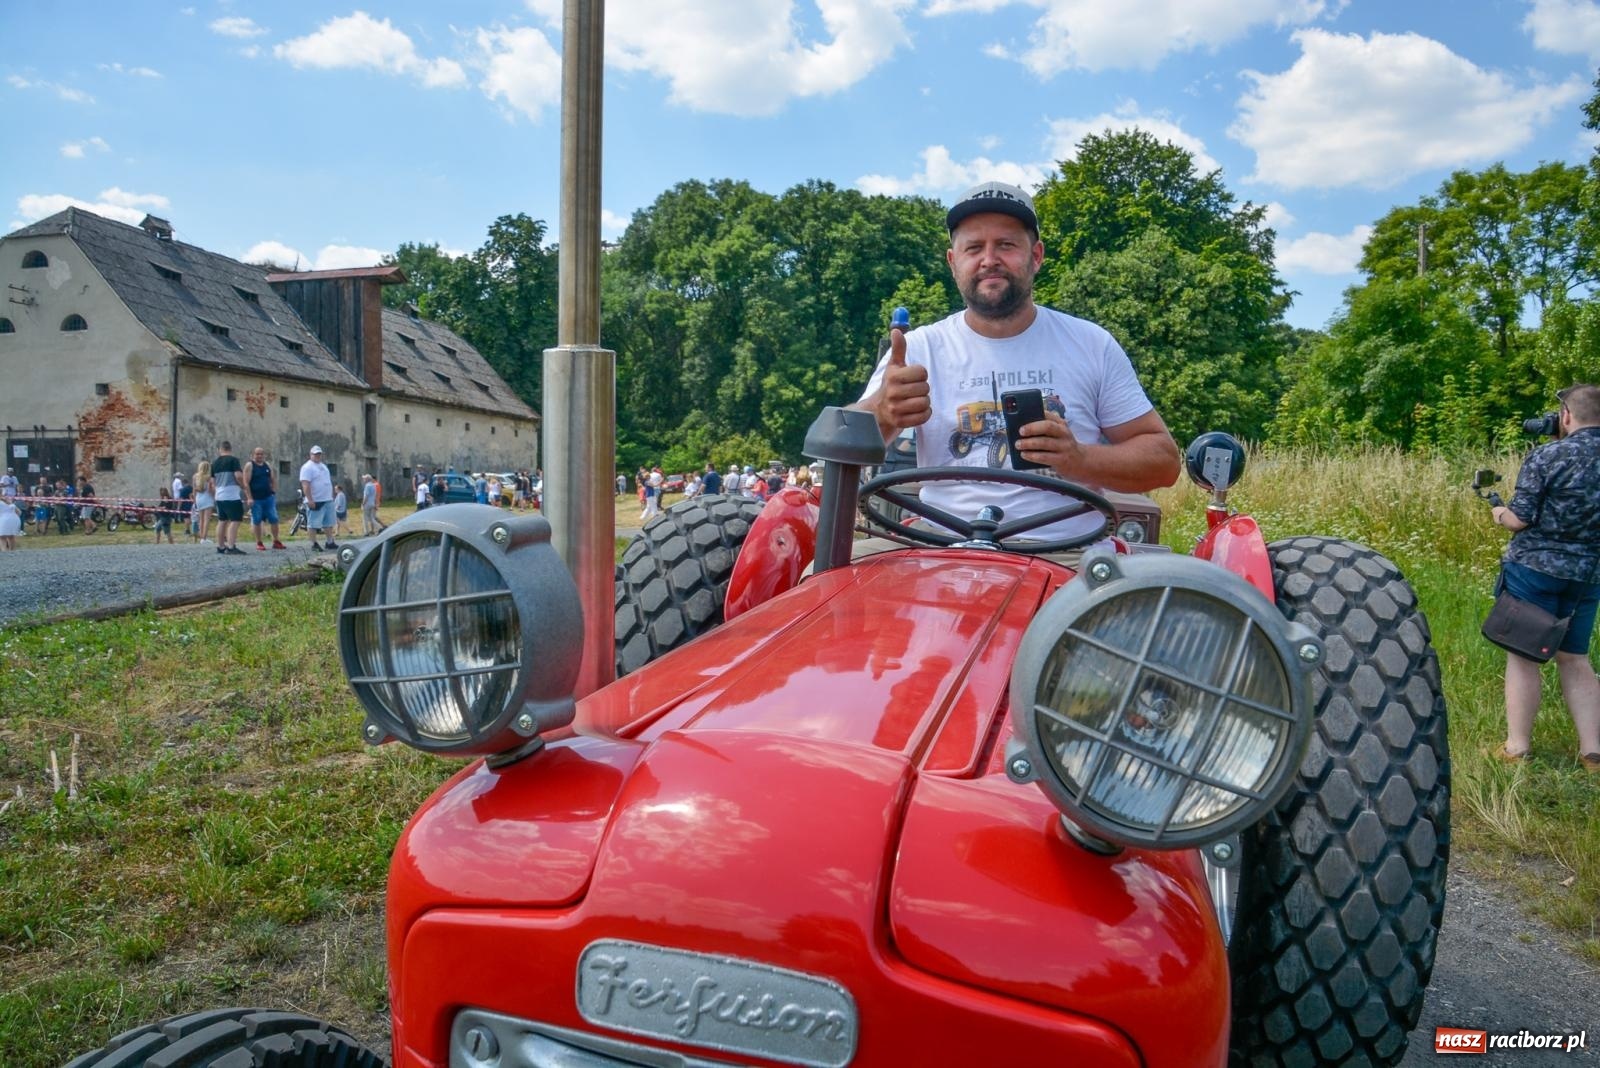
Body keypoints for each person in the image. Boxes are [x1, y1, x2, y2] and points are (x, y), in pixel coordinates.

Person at [854, 180, 1179, 542]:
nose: (989, 260)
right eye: (974, 247)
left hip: (1067, 555)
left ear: (1036, 255)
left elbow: (1164, 462)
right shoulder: (917, 348)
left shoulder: (1091, 344)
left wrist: (1079, 459)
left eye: (1006, 245)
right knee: (819, 585)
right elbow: (844, 451)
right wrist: (882, 414)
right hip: (937, 547)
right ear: (953, 262)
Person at [1488, 383, 1600, 772]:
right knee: (1575, 658)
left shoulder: (1547, 456)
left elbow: (1519, 519)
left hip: (1535, 571)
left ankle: (1518, 747)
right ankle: (1592, 752)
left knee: (1523, 658)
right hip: (1587, 574)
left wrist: (1498, 512)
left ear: (1566, 415)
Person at [244, 446, 285, 551]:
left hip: (268, 498)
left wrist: (273, 491)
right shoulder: (250, 466)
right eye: (257, 454)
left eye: (261, 454)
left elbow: (273, 479)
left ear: (264, 455)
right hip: (256, 499)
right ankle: (259, 542)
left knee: (274, 518)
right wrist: (249, 497)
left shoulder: (267, 465)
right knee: (257, 520)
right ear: (253, 455)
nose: (260, 456)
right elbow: (246, 483)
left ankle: (276, 540)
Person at [298, 445, 337, 551]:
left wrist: (332, 495)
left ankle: (330, 541)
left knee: (329, 522)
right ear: (311, 455)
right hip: (316, 500)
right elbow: (305, 484)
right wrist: (310, 499)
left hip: (327, 499)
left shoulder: (323, 466)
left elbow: (327, 482)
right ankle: (313, 543)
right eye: (315, 454)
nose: (317, 456)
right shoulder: (307, 467)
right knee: (313, 523)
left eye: (319, 454)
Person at [210, 440, 245, 554]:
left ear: (220, 449)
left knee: (222, 520)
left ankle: (220, 546)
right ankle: (231, 546)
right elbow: (238, 475)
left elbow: (212, 482)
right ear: (230, 449)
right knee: (235, 520)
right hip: (231, 495)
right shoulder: (233, 460)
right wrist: (243, 485)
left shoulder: (214, 463)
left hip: (219, 495)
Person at [191, 460, 214, 543]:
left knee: (201, 519)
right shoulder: (209, 478)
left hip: (198, 498)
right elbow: (211, 490)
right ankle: (204, 537)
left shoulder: (195, 477)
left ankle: (201, 537)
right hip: (207, 498)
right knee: (207, 519)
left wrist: (194, 500)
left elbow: (194, 490)